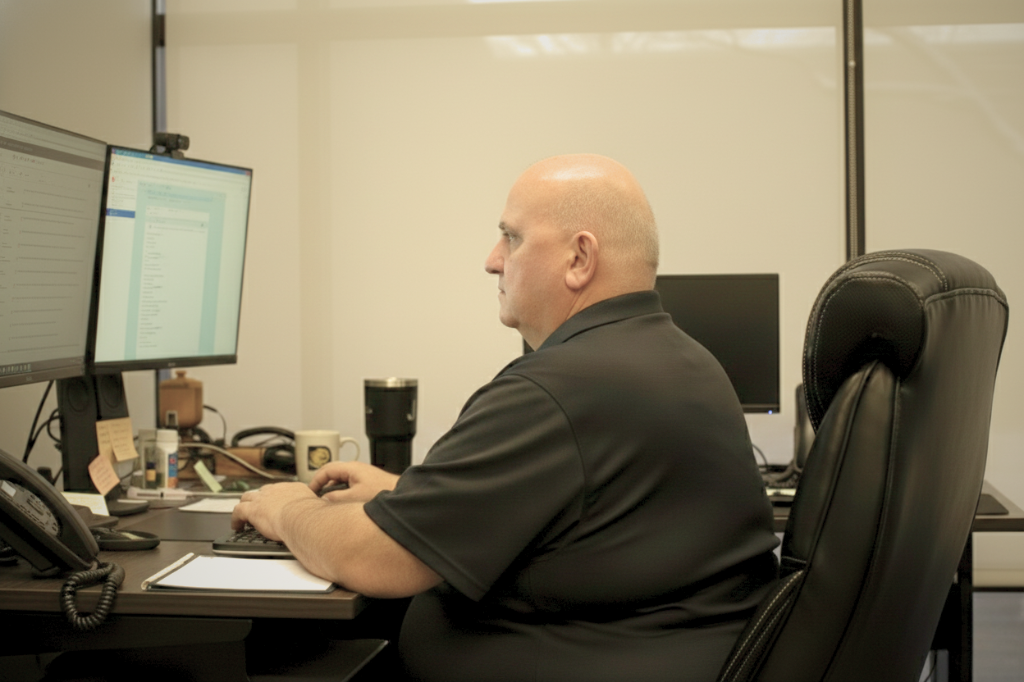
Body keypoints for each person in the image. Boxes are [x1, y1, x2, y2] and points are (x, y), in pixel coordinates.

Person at [233, 154, 779, 682]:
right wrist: (410, 496)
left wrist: (289, 509)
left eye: (512, 237)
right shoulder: (684, 359)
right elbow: (597, 520)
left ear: (579, 259)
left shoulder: (555, 390)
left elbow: (373, 559)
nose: (492, 259)